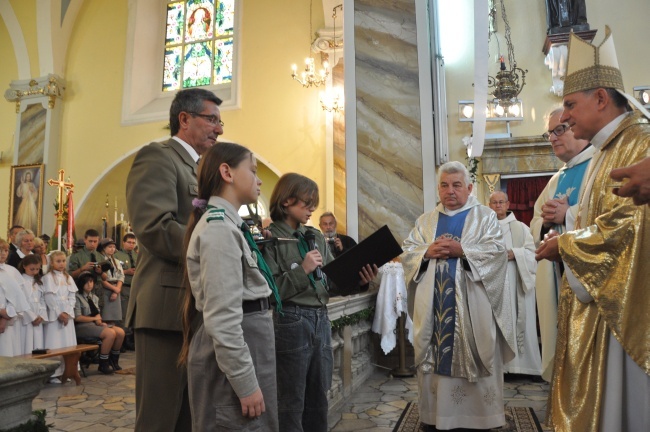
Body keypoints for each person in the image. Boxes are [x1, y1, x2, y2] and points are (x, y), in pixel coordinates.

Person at [535, 27, 650, 431]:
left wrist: (566, 245)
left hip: (624, 312)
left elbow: (629, 224)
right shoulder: (606, 149)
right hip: (596, 304)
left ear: (601, 98)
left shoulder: (639, 143)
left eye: (570, 104)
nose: (563, 117)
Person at [126, 87, 223, 432]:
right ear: (184, 119)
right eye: (212, 119)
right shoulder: (159, 157)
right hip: (166, 305)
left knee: (190, 414)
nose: (219, 128)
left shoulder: (201, 169)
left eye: (219, 121)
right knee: (160, 416)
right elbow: (154, 227)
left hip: (195, 304)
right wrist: (214, 250)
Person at [401, 161, 515, 431]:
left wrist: (462, 250)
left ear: (469, 188)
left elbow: (497, 254)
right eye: (444, 185)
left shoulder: (485, 216)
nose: (450, 191)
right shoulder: (425, 221)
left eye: (456, 185)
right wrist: (426, 253)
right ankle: (436, 417)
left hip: (473, 307)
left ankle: (481, 418)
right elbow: (408, 252)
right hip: (434, 308)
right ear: (438, 188)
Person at [262, 173, 377, 431]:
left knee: (318, 395)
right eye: (307, 202)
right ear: (286, 201)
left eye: (314, 202)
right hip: (292, 320)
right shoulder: (270, 240)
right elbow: (270, 292)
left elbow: (331, 282)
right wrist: (301, 270)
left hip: (320, 319)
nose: (312, 208)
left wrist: (359, 279)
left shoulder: (312, 236)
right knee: (291, 398)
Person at [179, 143, 280, 431]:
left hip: (248, 339)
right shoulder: (220, 229)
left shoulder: (229, 224)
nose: (258, 179)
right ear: (227, 172)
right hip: (237, 345)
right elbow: (223, 320)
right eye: (253, 170)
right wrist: (246, 383)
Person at [529, 107, 594, 381]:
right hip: (558, 278)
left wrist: (566, 215)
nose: (553, 138)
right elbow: (534, 221)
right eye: (549, 133)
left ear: (577, 128)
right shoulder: (557, 178)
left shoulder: (598, 165)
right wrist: (545, 221)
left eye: (560, 130)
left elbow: (611, 216)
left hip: (588, 284)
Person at [488, 191, 541, 377]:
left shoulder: (521, 228)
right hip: (493, 284)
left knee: (518, 319)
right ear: (489, 205)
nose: (498, 206)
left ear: (508, 204)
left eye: (501, 202)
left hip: (516, 280)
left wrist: (515, 254)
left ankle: (522, 367)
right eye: (494, 202)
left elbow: (533, 255)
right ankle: (500, 367)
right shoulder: (484, 228)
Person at [74, 271, 125, 374]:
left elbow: (97, 313)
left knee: (120, 332)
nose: (90, 285)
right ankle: (103, 363)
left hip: (93, 325)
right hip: (82, 326)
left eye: (91, 282)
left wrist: (99, 322)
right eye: (86, 282)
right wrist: (94, 320)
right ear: (81, 284)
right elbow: (78, 318)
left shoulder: (94, 297)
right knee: (110, 333)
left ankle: (113, 360)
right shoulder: (77, 297)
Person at [42, 250, 77, 382]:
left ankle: (65, 371)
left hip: (67, 317)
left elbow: (72, 296)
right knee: (55, 344)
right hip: (54, 317)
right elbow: (49, 297)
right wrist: (59, 313)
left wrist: (67, 312)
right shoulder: (47, 278)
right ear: (51, 262)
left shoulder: (68, 278)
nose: (62, 264)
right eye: (58, 261)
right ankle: (53, 374)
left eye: (63, 261)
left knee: (67, 344)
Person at [0, 239, 31, 357]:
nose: (3, 253)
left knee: (6, 351)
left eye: (6, 250)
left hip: (8, 320)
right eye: (0, 250)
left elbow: (19, 297)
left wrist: (5, 317)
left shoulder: (11, 271)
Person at [18, 254, 46, 354]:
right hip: (27, 318)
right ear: (24, 266)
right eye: (32, 269)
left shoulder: (38, 281)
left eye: (37, 269)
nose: (35, 272)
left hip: (38, 316)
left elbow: (42, 299)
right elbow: (21, 301)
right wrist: (32, 317)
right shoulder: (20, 281)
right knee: (27, 344)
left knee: (38, 345)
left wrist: (41, 315)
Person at [114, 233, 137, 350]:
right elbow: (115, 270)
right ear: (123, 242)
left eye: (133, 243)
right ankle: (122, 339)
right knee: (123, 313)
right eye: (129, 242)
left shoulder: (136, 255)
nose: (131, 245)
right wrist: (127, 271)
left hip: (135, 287)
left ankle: (130, 338)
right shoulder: (117, 255)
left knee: (134, 314)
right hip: (124, 286)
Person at [96, 238, 124, 327]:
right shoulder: (100, 260)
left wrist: (117, 290)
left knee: (114, 319)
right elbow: (101, 278)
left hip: (115, 289)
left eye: (114, 247)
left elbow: (121, 276)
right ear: (103, 248)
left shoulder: (115, 261)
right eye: (109, 247)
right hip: (105, 289)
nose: (112, 249)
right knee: (105, 317)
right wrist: (114, 289)